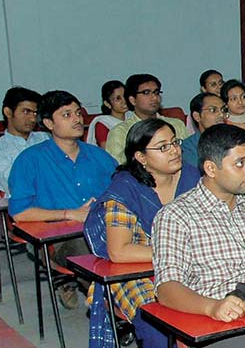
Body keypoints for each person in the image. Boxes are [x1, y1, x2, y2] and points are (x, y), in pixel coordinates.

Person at [153, 124, 245, 347]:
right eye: (240, 163)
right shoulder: (176, 215)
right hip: (223, 319)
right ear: (211, 168)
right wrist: (212, 307)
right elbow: (167, 288)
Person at [84, 119, 200, 348]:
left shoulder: (193, 177)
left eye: (175, 143)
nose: (175, 151)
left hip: (192, 263)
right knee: (159, 322)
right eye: (163, 147)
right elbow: (119, 252)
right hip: (135, 271)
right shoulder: (126, 187)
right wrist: (176, 254)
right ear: (141, 157)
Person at [9, 90, 117, 308]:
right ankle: (111, 310)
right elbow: (20, 212)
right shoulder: (30, 160)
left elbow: (123, 192)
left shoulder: (99, 156)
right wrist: (71, 214)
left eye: (78, 113)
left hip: (104, 228)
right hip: (58, 239)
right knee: (88, 248)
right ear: (49, 123)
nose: (77, 119)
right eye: (67, 115)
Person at [105, 74, 191, 163]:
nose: (154, 97)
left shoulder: (176, 124)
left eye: (156, 92)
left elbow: (190, 156)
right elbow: (116, 167)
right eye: (146, 93)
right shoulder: (120, 132)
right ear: (132, 100)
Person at [0, 86, 49, 196]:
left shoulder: (45, 138)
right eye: (26, 112)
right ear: (8, 112)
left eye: (35, 113)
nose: (33, 119)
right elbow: (16, 185)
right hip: (25, 207)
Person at [182, 92, 227, 168]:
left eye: (223, 110)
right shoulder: (188, 147)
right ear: (197, 116)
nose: (221, 115)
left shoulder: (234, 140)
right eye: (213, 110)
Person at [87, 80, 131, 146]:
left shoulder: (133, 117)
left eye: (125, 96)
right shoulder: (103, 123)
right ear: (107, 104)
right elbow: (107, 151)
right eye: (118, 98)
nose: (124, 101)